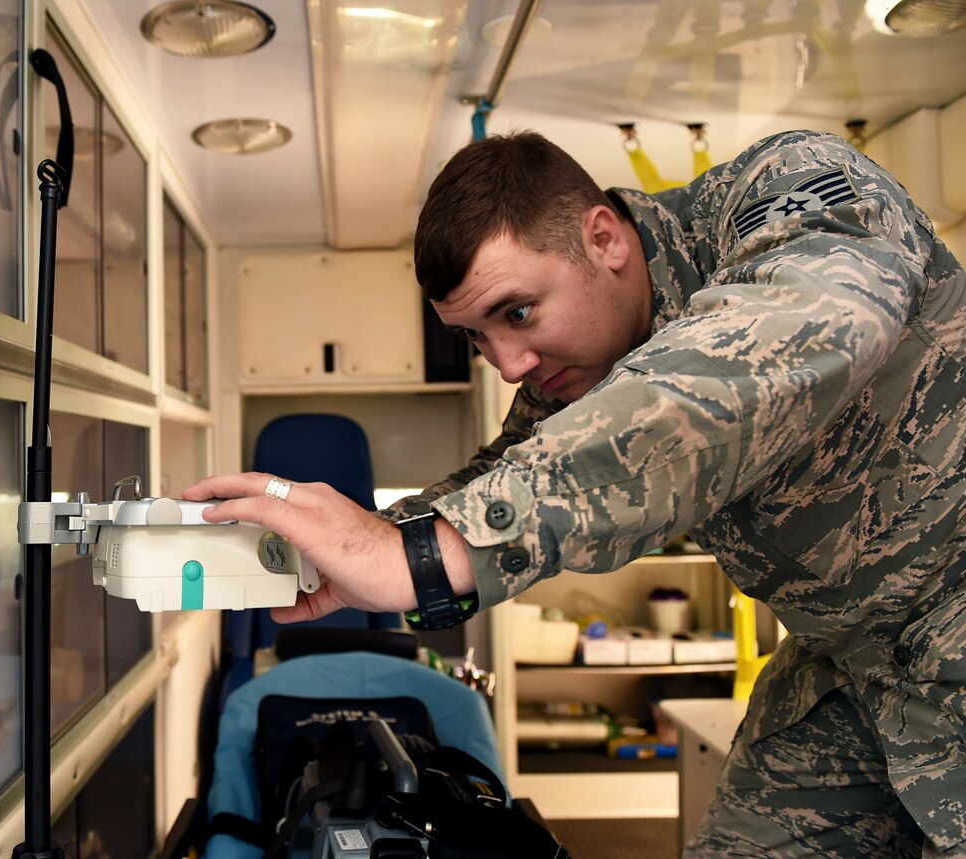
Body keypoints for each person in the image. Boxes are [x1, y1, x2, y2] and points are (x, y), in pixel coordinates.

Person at [184, 129, 966, 857]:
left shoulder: (789, 186)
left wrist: (419, 556)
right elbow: (499, 476)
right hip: (851, 664)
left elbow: (779, 350)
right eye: (478, 337)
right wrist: (354, 545)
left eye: (517, 312)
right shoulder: (576, 374)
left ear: (603, 237)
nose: (508, 364)